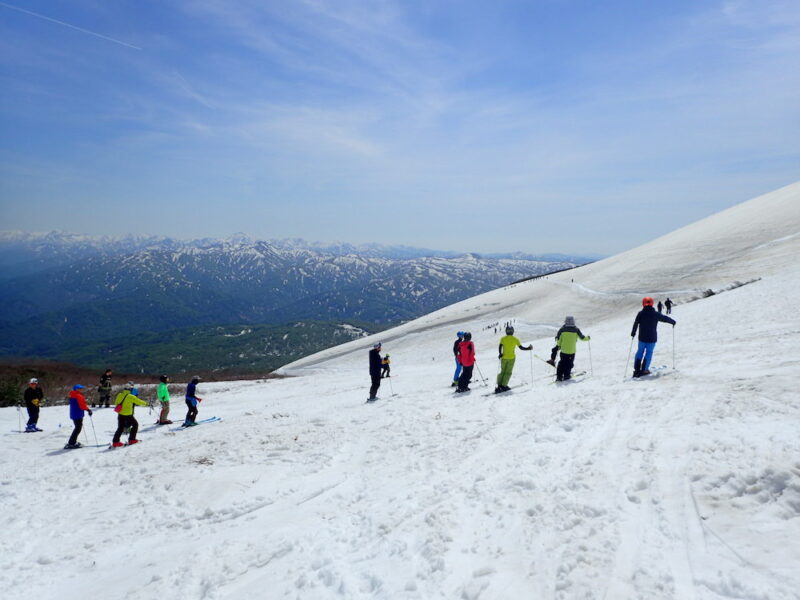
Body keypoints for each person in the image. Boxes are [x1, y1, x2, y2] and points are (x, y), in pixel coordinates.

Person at [631, 297, 676, 377]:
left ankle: (637, 370)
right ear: (652, 303)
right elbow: (664, 318)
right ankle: (644, 370)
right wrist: (672, 322)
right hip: (652, 338)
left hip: (642, 337)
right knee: (649, 352)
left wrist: (633, 333)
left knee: (640, 352)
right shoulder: (655, 313)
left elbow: (636, 323)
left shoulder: (640, 313)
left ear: (643, 303)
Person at [495, 325, 532, 392]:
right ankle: (504, 385)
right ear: (513, 331)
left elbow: (500, 346)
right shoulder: (515, 339)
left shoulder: (503, 338)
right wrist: (528, 348)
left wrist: (500, 353)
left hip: (503, 358)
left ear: (506, 331)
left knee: (503, 371)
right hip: (511, 358)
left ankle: (499, 385)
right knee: (508, 372)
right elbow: (521, 348)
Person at [554, 316, 590, 381]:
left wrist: (559, 345)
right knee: (569, 363)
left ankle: (559, 376)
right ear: (573, 321)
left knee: (562, 363)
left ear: (565, 321)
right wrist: (588, 338)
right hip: (572, 351)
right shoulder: (576, 330)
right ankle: (566, 375)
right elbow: (582, 338)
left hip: (564, 351)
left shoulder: (562, 329)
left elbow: (559, 339)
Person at [65, 385, 91, 449]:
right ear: (77, 389)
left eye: (82, 388)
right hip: (78, 414)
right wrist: (88, 410)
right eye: (80, 388)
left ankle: (72, 442)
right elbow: (82, 405)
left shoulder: (72, 394)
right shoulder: (78, 396)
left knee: (77, 428)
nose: (82, 389)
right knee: (78, 428)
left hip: (74, 413)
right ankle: (71, 443)